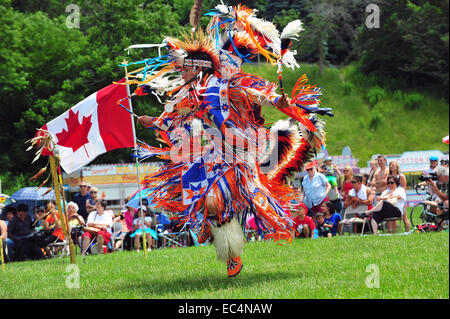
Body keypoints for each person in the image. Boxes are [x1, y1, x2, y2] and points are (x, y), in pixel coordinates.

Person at [133, 8, 331, 278]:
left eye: (186, 68)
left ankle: (229, 250)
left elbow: (264, 91)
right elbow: (173, 117)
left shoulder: (231, 83)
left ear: (200, 67)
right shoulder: (190, 92)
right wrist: (153, 121)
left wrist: (281, 102)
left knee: (218, 202)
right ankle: (211, 223)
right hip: (204, 153)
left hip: (238, 153)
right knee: (206, 203)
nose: (181, 72)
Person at [389, 160, 410, 232]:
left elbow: (404, 188)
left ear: (397, 167)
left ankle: (408, 230)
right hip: (392, 198)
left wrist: (400, 197)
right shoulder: (389, 176)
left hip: (400, 198)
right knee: (392, 215)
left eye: (393, 165)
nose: (391, 166)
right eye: (390, 165)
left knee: (404, 215)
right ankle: (393, 231)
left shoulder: (401, 176)